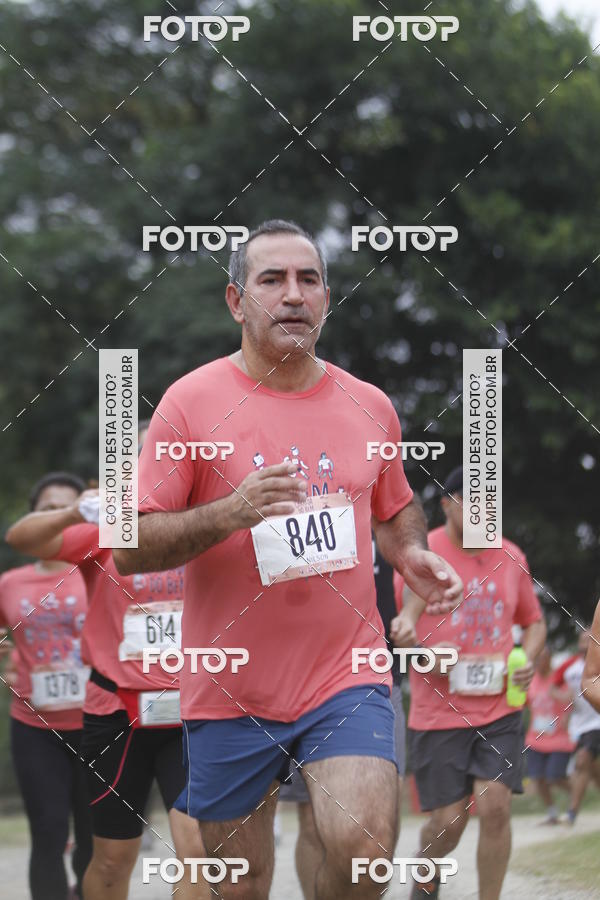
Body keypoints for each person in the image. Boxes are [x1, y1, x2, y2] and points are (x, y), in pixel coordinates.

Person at [112, 218, 462, 899]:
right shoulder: (190, 404)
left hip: (344, 673)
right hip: (230, 686)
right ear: (237, 301)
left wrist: (413, 554)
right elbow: (129, 545)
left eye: (309, 280)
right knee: (241, 886)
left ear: (327, 299)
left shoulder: (371, 406)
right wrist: (232, 512)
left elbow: (392, 508)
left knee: (363, 854)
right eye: (272, 280)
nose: (293, 295)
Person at [6, 422, 206, 900]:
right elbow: (22, 537)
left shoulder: (206, 521)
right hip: (115, 714)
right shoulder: (107, 527)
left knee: (199, 854)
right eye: (143, 454)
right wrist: (77, 509)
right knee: (113, 862)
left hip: (195, 710)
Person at [392, 466, 546, 900]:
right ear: (447, 504)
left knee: (495, 807)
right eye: (473, 501)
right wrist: (420, 650)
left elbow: (534, 625)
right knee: (449, 822)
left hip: (499, 707)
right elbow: (407, 625)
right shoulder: (422, 555)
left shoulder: (511, 555)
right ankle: (426, 871)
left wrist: (527, 659)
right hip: (438, 712)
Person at [278, 537, 408, 900]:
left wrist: (409, 619)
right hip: (292, 682)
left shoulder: (386, 531)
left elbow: (414, 577)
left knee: (380, 820)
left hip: (372, 679)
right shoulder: (287, 517)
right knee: (311, 822)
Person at [1, 471, 92, 900]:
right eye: (46, 509)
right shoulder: (10, 583)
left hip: (100, 723)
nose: (56, 516)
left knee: (96, 842)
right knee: (49, 834)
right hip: (35, 727)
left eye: (66, 508)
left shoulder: (102, 568)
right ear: (32, 517)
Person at [553, 625, 600, 825]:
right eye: (582, 642)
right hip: (579, 724)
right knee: (591, 768)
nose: (585, 646)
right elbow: (553, 687)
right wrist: (566, 701)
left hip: (597, 721)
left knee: (582, 760)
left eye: (589, 641)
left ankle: (572, 813)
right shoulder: (569, 667)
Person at [524, 644, 574, 823]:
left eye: (542, 658)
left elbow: (572, 698)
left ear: (549, 659)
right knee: (538, 778)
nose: (539, 662)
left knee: (555, 776)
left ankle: (575, 795)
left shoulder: (559, 678)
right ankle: (552, 813)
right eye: (536, 658)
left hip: (559, 738)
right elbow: (524, 702)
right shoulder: (530, 680)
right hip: (535, 737)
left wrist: (567, 714)